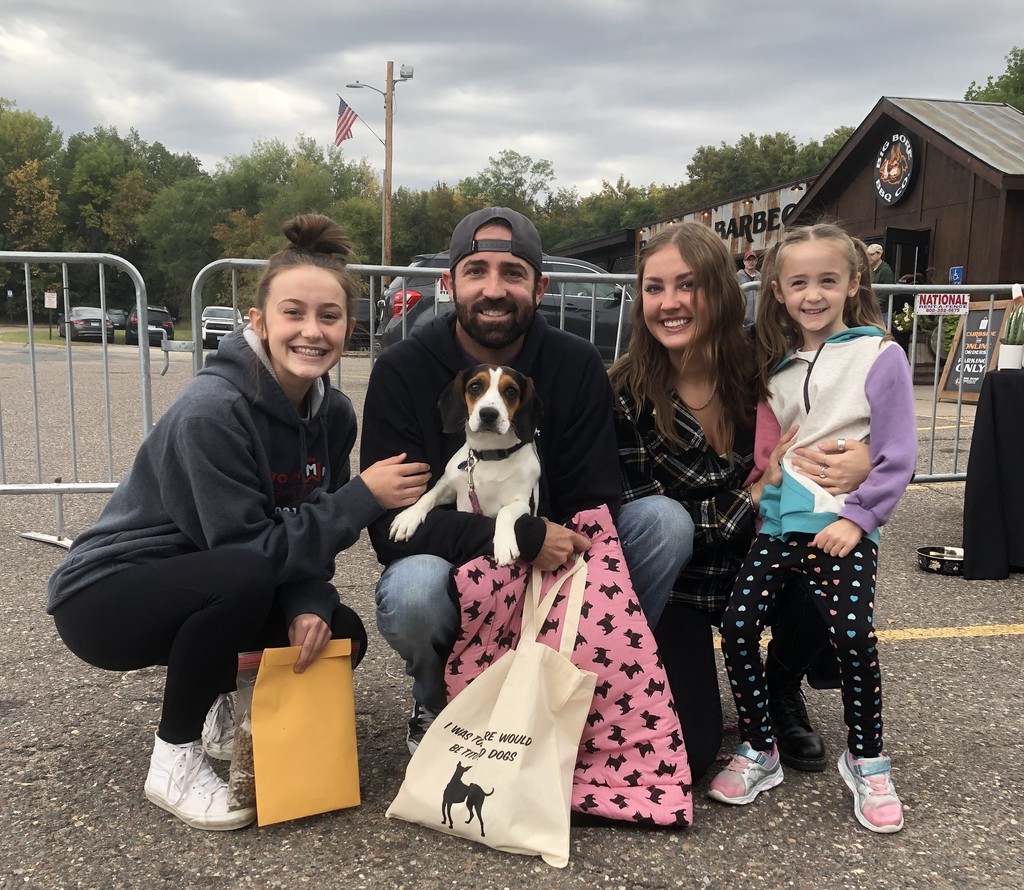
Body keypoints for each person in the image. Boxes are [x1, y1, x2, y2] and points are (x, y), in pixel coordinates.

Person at [46, 214, 430, 831]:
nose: (312, 330)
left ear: (349, 328)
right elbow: (248, 550)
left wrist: (310, 601)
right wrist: (362, 496)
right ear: (258, 322)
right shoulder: (212, 410)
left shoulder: (333, 416)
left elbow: (303, 540)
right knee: (245, 576)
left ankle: (223, 706)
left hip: (221, 574)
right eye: (293, 313)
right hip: (108, 596)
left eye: (329, 317)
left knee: (339, 634)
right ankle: (173, 760)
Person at [360, 207, 687, 753]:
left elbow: (593, 497)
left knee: (664, 523)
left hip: (558, 557)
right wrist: (520, 538)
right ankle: (438, 701)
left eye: (512, 273)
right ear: (449, 284)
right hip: (464, 561)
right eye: (476, 271)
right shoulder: (403, 369)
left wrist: (547, 552)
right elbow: (393, 528)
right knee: (412, 588)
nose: (494, 289)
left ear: (541, 287)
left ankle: (586, 683)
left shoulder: (578, 363)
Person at [608, 222, 873, 782]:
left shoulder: (766, 365)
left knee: (833, 547)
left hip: (766, 557)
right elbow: (652, 521)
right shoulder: (623, 392)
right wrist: (752, 491)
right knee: (695, 753)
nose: (670, 303)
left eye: (688, 285)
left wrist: (865, 460)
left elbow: (854, 403)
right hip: (681, 586)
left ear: (722, 293)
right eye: (654, 288)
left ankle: (780, 686)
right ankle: (657, 666)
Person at [709, 223, 917, 834]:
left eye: (828, 280)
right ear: (777, 290)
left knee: (852, 636)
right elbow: (769, 455)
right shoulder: (775, 368)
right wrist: (763, 507)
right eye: (799, 282)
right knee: (739, 625)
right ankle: (759, 745)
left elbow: (898, 452)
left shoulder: (881, 355)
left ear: (854, 283)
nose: (814, 294)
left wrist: (860, 519)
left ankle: (869, 759)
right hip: (779, 528)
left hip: (844, 527)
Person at [737, 249, 761, 325]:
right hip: (742, 322)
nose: (751, 262)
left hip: (759, 321)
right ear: (744, 262)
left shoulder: (761, 277)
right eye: (748, 260)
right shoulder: (737, 277)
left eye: (753, 259)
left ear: (756, 261)